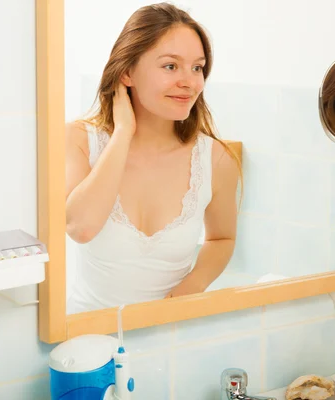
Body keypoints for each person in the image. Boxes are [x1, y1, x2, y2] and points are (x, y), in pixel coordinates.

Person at [65, 3, 240, 313]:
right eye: (171, 66)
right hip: (88, 344)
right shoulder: (79, 140)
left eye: (197, 67)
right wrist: (123, 133)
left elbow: (222, 238)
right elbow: (81, 228)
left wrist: (194, 283)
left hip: (168, 339)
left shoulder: (215, 159)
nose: (189, 82)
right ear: (127, 72)